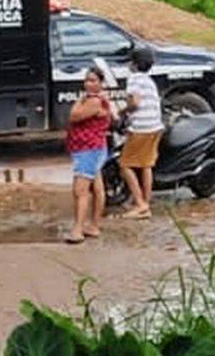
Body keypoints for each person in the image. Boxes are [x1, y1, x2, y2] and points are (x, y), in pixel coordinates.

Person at [64, 66, 113, 244]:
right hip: (94, 147)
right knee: (97, 188)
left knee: (80, 190)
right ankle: (94, 225)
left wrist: (79, 101)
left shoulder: (93, 102)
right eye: (87, 80)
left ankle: (77, 230)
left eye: (93, 80)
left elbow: (74, 116)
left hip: (89, 149)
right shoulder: (99, 100)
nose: (88, 84)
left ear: (101, 83)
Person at [120, 45, 163, 219]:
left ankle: (140, 204)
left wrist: (123, 111)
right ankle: (145, 203)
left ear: (134, 64)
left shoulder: (135, 79)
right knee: (146, 166)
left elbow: (135, 103)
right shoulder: (149, 80)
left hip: (141, 128)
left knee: (125, 165)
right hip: (155, 127)